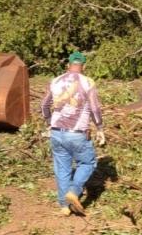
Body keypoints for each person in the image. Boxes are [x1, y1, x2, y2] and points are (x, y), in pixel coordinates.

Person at [40, 52, 105, 216]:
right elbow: (95, 108)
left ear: (68, 65)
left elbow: (43, 106)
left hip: (56, 132)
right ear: (84, 66)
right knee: (87, 164)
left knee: (62, 169)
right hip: (77, 133)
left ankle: (64, 206)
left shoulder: (54, 81)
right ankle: (74, 191)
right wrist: (100, 128)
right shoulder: (88, 82)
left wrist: (50, 123)